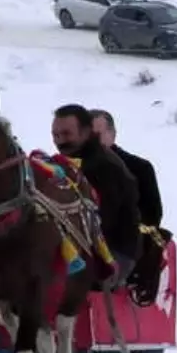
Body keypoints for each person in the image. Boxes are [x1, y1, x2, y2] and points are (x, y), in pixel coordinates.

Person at [52, 104, 142, 286]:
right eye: (55, 135)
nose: (60, 141)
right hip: (82, 245)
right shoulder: (67, 163)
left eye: (67, 134)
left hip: (115, 251)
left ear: (86, 132)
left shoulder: (104, 167)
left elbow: (102, 221)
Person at [90, 109, 162, 228]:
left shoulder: (140, 169)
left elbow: (151, 218)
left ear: (112, 134)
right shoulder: (72, 170)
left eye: (97, 134)